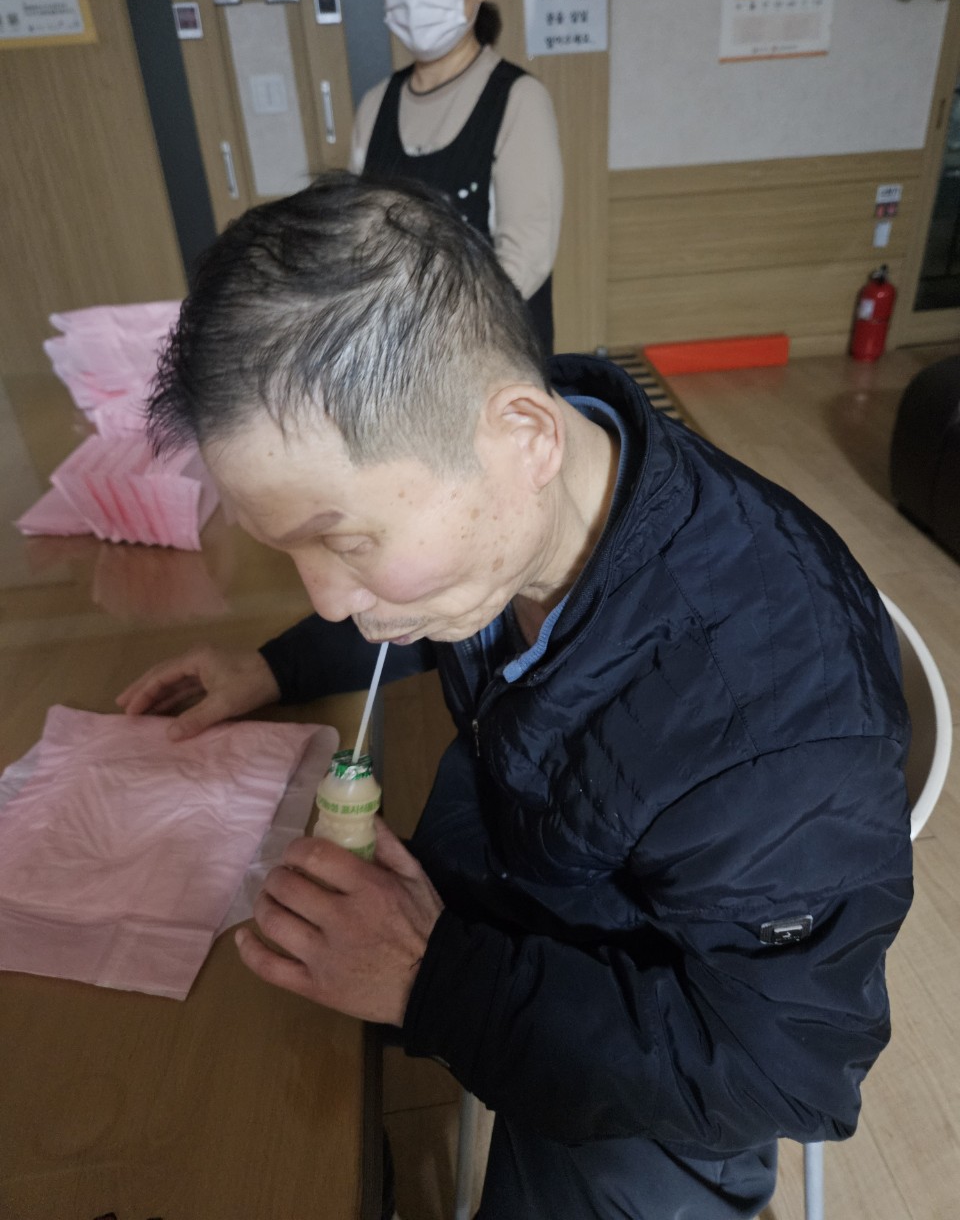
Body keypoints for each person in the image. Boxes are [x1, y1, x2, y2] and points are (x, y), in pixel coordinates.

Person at [120, 173, 913, 1220]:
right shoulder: (535, 479)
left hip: (668, 1063)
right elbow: (401, 567)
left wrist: (432, 978)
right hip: (533, 877)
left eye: (343, 539)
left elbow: (790, 1068)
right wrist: (273, 667)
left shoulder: (772, 727)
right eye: (291, 550)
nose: (332, 599)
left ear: (524, 438)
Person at [351, 0, 562, 355]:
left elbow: (527, 257)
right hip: (399, 353)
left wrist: (435, 338)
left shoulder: (517, 98)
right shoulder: (375, 105)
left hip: (493, 352)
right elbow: (360, 236)